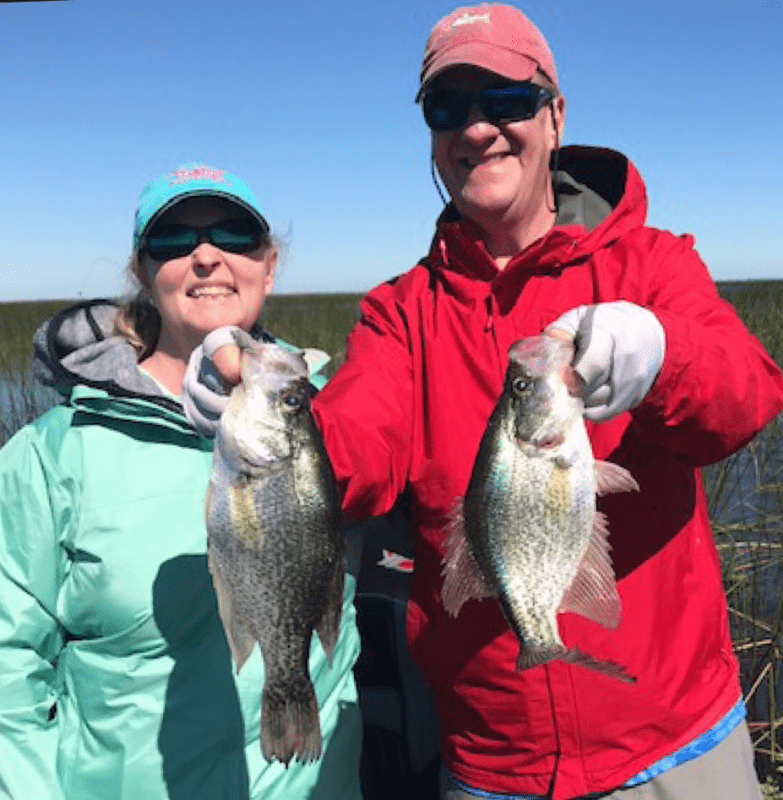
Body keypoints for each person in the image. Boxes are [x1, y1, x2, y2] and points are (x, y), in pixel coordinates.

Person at [184, 5, 783, 800]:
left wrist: (665, 355)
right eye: (448, 109)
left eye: (505, 100)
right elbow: (358, 445)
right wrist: (263, 421)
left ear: (554, 114)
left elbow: (744, 398)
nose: (477, 130)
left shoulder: (652, 263)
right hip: (493, 760)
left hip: (675, 741)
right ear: (430, 134)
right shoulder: (400, 311)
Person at [0, 164, 363, 800]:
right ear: (143, 272)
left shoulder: (338, 414)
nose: (205, 255)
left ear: (268, 264)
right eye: (173, 242)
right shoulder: (51, 451)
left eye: (233, 234)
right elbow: (9, 665)